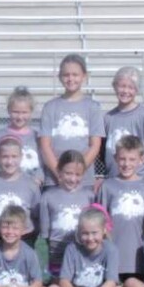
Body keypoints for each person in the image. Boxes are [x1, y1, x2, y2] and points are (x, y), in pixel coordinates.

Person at [39, 54, 104, 189]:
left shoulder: (93, 107)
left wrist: (76, 173)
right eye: (66, 75)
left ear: (84, 76)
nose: (71, 79)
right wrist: (60, 174)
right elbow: (45, 146)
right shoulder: (50, 107)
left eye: (75, 74)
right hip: (55, 180)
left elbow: (95, 146)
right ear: (60, 77)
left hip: (83, 180)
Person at [97, 135, 144, 281]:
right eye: (122, 159)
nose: (126, 164)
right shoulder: (107, 186)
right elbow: (99, 221)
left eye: (132, 159)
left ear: (141, 160)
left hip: (138, 256)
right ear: (115, 158)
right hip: (113, 254)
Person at [48, 206, 123, 287]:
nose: (90, 238)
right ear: (79, 233)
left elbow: (111, 282)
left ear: (104, 231)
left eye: (94, 233)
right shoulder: (72, 248)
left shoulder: (111, 250)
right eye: (85, 233)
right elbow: (64, 280)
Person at [0, 136, 40, 249]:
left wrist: (30, 238)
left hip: (23, 238)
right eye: (5, 157)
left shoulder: (31, 184)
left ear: (21, 157)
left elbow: (37, 217)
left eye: (14, 156)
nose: (9, 162)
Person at [40, 150, 94, 279]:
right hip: (56, 247)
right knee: (58, 281)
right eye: (68, 173)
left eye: (77, 174)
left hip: (82, 247)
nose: (73, 178)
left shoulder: (89, 196)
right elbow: (45, 231)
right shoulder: (48, 196)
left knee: (80, 279)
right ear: (59, 171)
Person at [104, 67, 144, 184]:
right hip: (115, 180)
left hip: (142, 181)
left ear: (137, 90)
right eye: (122, 86)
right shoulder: (108, 118)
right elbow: (103, 151)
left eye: (131, 87)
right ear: (115, 86)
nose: (125, 91)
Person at [0, 87, 43, 186]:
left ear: (31, 112)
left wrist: (39, 178)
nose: (20, 117)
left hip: (32, 186)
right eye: (16, 112)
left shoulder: (37, 137)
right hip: (6, 184)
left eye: (24, 112)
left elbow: (42, 163)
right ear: (8, 110)